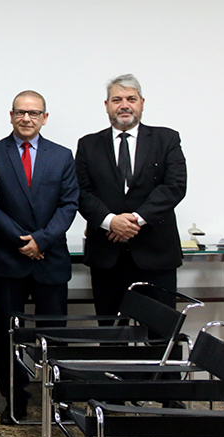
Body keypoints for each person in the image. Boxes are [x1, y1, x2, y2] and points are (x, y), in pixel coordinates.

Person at [0, 90, 79, 425]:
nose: (27, 119)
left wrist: (42, 241)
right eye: (21, 113)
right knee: (8, 334)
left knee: (56, 335)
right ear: (10, 116)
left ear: (45, 118)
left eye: (34, 113)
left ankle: (58, 401)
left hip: (50, 260)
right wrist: (20, 240)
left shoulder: (62, 156)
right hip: (8, 260)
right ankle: (14, 399)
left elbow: (69, 205)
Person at [75, 74, 186, 317]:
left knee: (161, 334)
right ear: (107, 105)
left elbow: (175, 186)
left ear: (142, 103)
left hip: (156, 254)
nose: (124, 105)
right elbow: (81, 192)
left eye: (131, 99)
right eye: (117, 99)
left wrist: (136, 219)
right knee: (111, 335)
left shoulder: (166, 139)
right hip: (107, 254)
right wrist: (110, 221)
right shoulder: (88, 145)